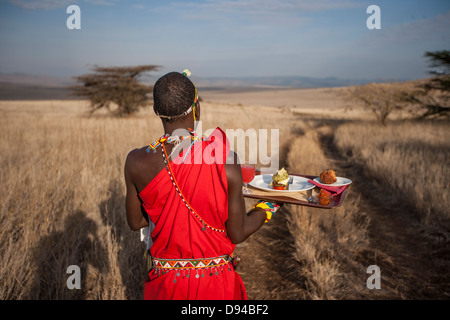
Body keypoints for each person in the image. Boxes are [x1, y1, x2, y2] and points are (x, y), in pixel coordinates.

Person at [124, 70, 281, 300]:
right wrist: (270, 205)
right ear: (196, 106)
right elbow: (237, 233)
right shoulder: (226, 160)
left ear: (156, 111)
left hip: (166, 285)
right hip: (217, 284)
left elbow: (135, 221)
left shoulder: (136, 161)